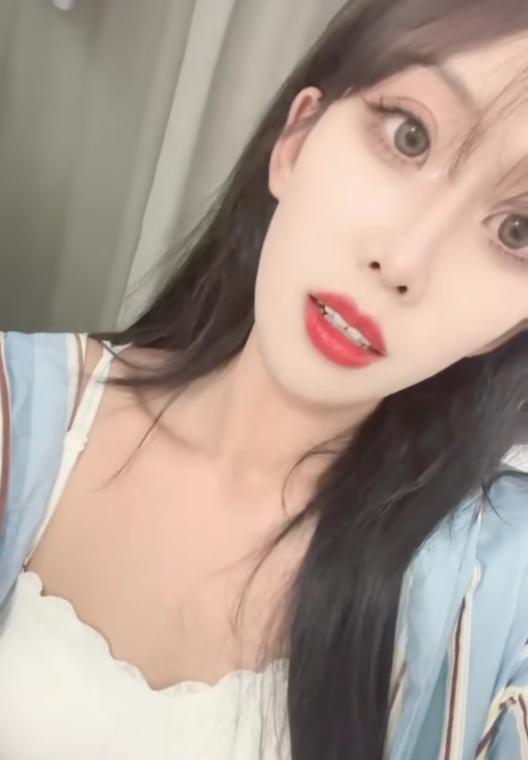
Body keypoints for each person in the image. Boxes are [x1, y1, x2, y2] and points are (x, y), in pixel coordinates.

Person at [2, 0, 528, 758]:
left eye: (517, 231)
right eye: (408, 135)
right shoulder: (20, 411)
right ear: (297, 140)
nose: (403, 262)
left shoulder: (496, 593)